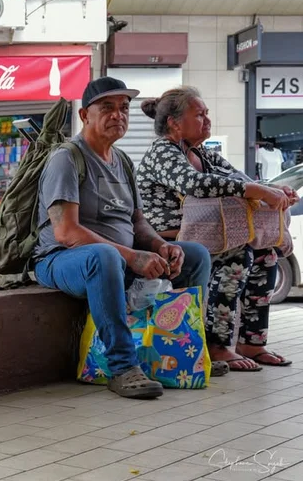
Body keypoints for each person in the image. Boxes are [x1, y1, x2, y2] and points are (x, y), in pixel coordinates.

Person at [32, 77, 212, 399]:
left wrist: (160, 246)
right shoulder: (67, 158)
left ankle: (187, 349)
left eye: (124, 108)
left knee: (195, 254)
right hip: (61, 259)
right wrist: (131, 257)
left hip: (116, 260)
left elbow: (137, 222)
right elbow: (67, 231)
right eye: (107, 108)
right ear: (85, 115)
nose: (118, 115)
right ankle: (122, 367)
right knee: (105, 256)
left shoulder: (123, 162)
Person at [136, 86, 297, 371]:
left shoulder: (204, 154)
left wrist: (276, 190)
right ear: (174, 123)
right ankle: (217, 345)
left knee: (266, 255)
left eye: (206, 113)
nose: (207, 120)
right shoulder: (162, 152)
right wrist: (257, 190)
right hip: (170, 241)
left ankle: (252, 343)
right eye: (199, 115)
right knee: (238, 255)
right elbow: (194, 185)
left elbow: (241, 179)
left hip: (206, 237)